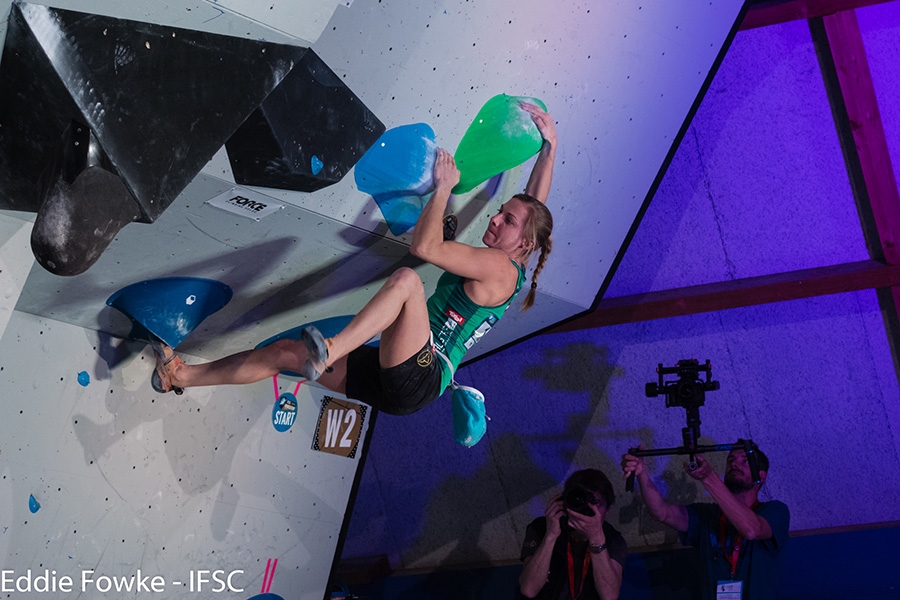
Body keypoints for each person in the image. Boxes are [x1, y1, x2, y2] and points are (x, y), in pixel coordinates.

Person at [151, 103, 557, 418]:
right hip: (402, 376)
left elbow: (426, 249)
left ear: (524, 242)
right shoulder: (516, 265)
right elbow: (535, 207)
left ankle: (329, 348)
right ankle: (179, 376)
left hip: (421, 372)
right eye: (500, 210)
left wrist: (443, 188)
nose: (496, 219)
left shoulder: (499, 267)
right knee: (283, 355)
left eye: (507, 220)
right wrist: (548, 148)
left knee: (407, 282)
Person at [620, 446, 790, 599]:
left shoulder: (775, 511)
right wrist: (642, 474)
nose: (735, 464)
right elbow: (661, 512)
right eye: (730, 460)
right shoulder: (707, 514)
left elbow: (751, 530)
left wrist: (709, 478)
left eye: (744, 461)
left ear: (761, 476)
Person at [519, 469, 627, 600]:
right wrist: (550, 536)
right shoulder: (542, 527)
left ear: (607, 511)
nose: (587, 508)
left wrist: (596, 538)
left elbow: (609, 596)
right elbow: (528, 589)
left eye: (595, 502)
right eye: (581, 500)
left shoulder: (613, 539)